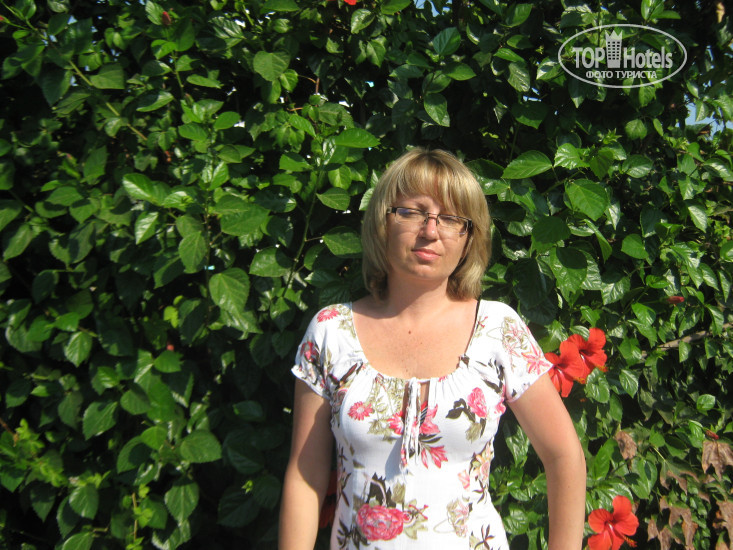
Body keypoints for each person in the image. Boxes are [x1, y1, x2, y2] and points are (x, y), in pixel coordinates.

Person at [279, 148, 586, 550]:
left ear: (468, 238)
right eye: (412, 212)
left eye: (452, 218)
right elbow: (306, 477)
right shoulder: (331, 333)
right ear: (383, 223)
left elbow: (564, 456)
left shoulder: (497, 331)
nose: (430, 230)